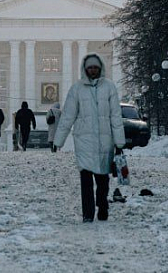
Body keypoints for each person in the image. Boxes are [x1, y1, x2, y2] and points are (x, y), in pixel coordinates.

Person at [54, 53, 126, 223]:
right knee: (85, 179)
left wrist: (119, 142)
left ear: (100, 69)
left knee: (103, 179)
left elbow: (116, 116)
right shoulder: (77, 89)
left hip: (104, 141)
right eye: (90, 68)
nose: (93, 70)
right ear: (85, 69)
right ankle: (87, 213)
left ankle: (102, 205)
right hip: (84, 141)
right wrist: (58, 140)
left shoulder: (109, 87)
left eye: (95, 68)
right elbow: (68, 116)